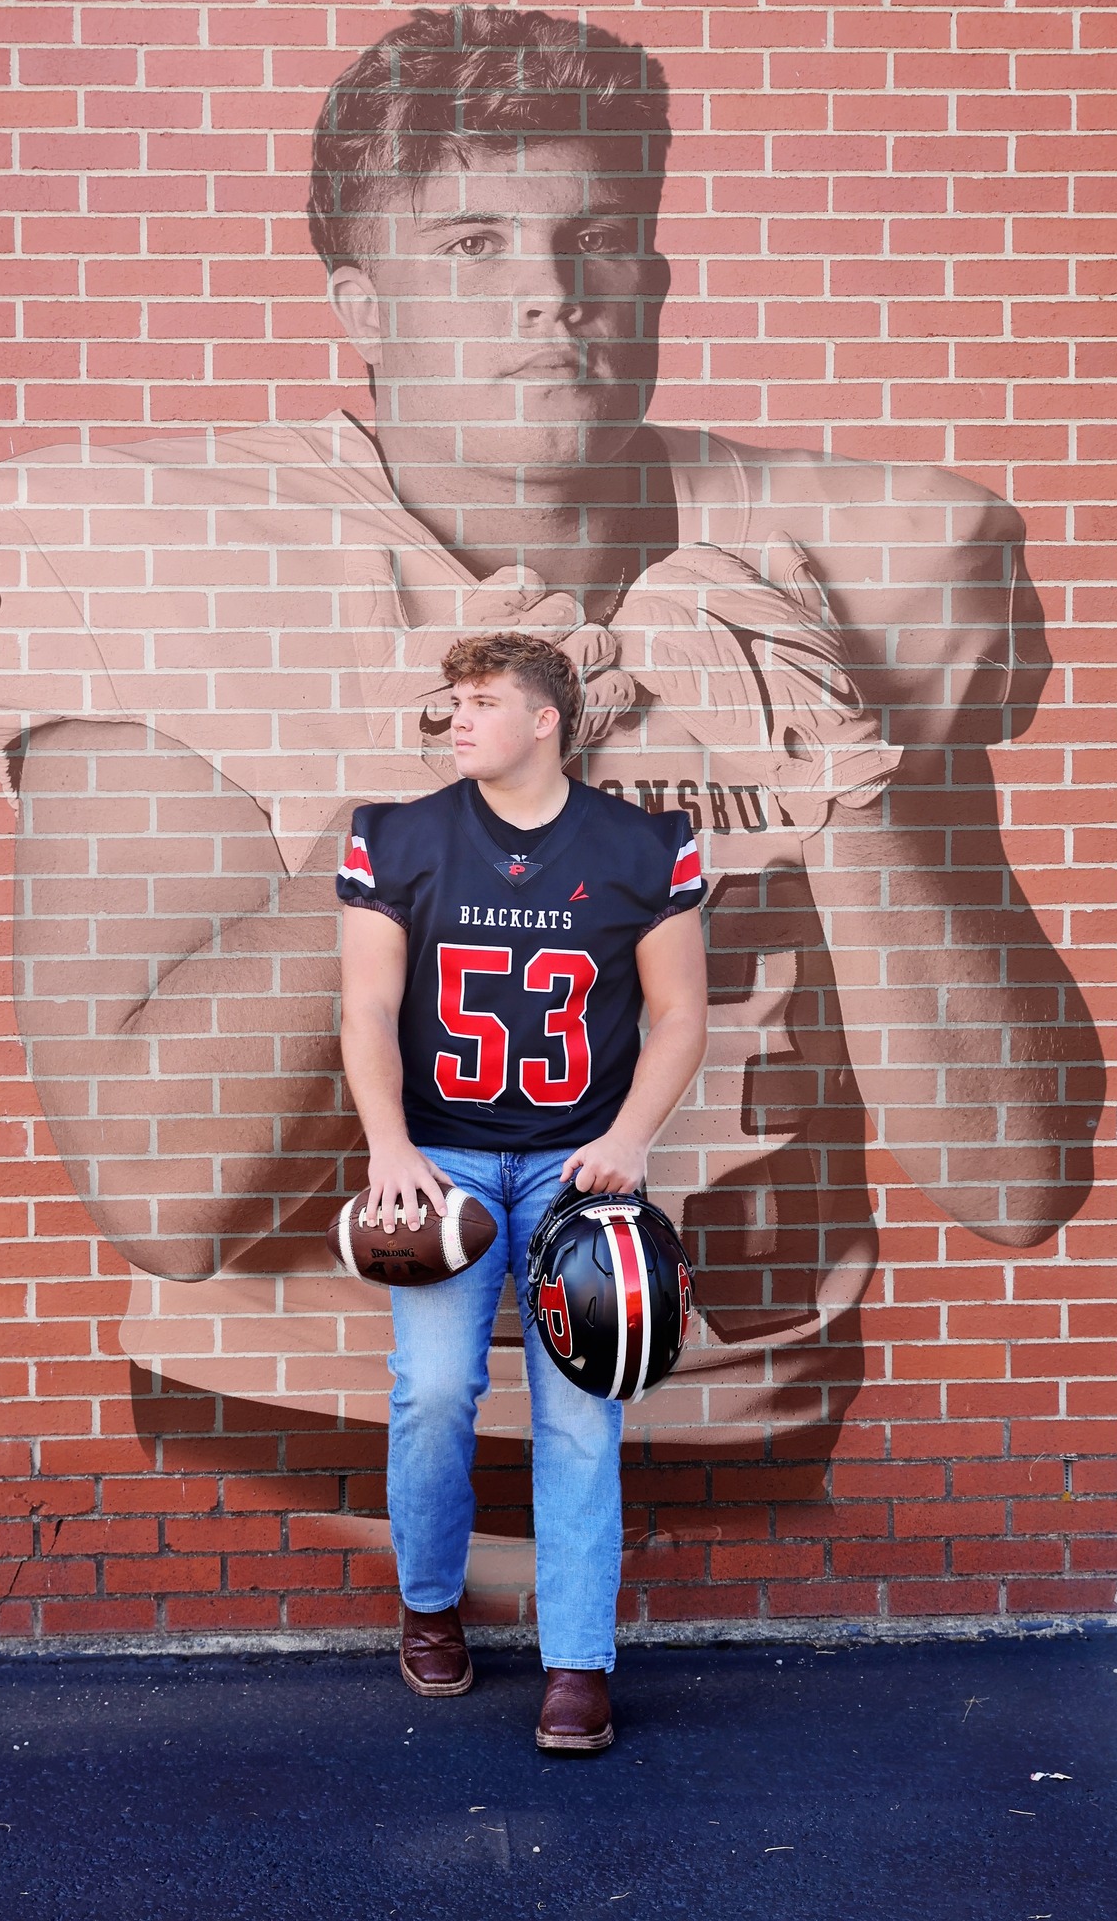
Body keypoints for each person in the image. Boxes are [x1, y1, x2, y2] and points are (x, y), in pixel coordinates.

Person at [0, 5, 1102, 1568]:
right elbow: (166, 1196)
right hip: (298, 1454)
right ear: (360, 302)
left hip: (745, 1439)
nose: (549, 294)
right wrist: (412, 808)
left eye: (594, 239)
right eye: (471, 244)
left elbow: (1011, 1177)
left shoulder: (841, 568)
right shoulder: (167, 565)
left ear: (651, 277)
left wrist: (847, 781)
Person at [337, 631, 707, 1750]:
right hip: (440, 1159)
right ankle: (430, 1604)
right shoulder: (397, 836)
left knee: (582, 1410)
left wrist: (631, 1138)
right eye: (455, 699)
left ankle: (578, 1663)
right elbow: (366, 1008)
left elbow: (680, 1015)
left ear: (547, 720)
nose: (459, 718)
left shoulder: (642, 845)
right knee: (433, 1392)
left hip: (576, 1164)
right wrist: (389, 1145)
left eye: (485, 700)